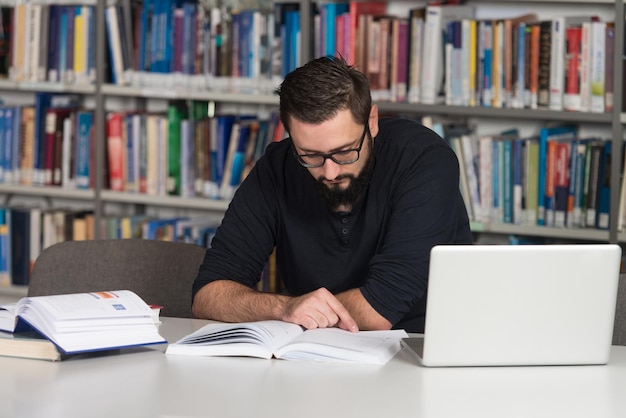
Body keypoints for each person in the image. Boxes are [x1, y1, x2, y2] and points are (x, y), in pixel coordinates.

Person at [192, 56, 472, 333]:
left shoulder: (423, 160)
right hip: (320, 356)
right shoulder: (276, 169)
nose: (330, 172)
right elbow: (208, 295)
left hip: (423, 347)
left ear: (372, 122)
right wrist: (284, 308)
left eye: (344, 152)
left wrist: (306, 316)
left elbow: (380, 309)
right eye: (310, 156)